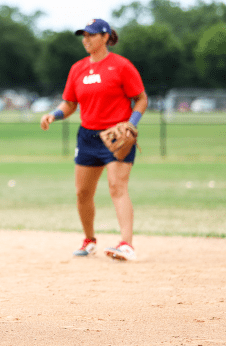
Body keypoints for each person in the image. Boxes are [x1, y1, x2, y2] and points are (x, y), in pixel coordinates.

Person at [40, 19, 148, 261]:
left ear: (106, 36)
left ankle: (126, 244)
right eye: (83, 35)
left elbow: (141, 98)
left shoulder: (121, 66)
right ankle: (89, 240)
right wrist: (53, 115)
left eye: (91, 35)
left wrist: (132, 122)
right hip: (87, 137)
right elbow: (69, 104)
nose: (85, 39)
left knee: (116, 187)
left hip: (115, 137)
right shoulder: (78, 68)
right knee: (82, 193)